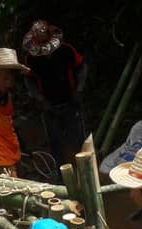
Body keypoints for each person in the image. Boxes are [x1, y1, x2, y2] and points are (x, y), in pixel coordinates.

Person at [22, 19, 88, 165]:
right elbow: (29, 80)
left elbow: (82, 67)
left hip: (70, 100)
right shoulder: (31, 58)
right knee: (55, 142)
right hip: (49, 105)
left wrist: (79, 90)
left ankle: (85, 170)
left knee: (78, 140)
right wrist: (40, 99)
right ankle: (60, 174)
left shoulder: (66, 50)